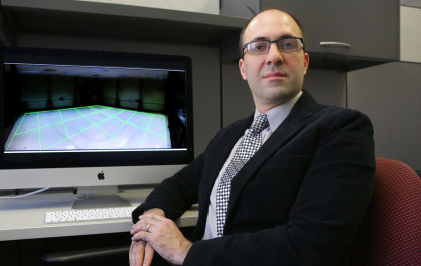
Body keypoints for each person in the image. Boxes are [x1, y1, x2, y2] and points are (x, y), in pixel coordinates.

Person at [129, 8, 375, 266]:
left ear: (304, 62)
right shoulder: (230, 135)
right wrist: (152, 217)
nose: (274, 56)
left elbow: (314, 245)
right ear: (243, 68)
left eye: (288, 44)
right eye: (259, 46)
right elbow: (181, 184)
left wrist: (185, 251)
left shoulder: (341, 128)